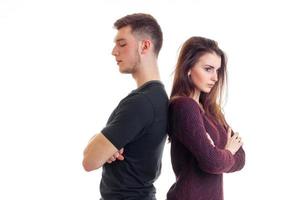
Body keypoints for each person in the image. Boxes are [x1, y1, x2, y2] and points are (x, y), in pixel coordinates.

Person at [82, 13, 168, 200]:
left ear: (144, 45)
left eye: (122, 44)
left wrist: (103, 146)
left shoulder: (141, 102)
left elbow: (89, 160)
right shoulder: (156, 97)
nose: (114, 51)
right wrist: (103, 145)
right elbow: (95, 153)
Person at [166, 36, 246, 200]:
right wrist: (228, 151)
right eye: (208, 69)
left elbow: (241, 157)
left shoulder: (212, 110)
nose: (215, 78)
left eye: (217, 70)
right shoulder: (184, 107)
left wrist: (220, 155)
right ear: (188, 68)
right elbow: (212, 162)